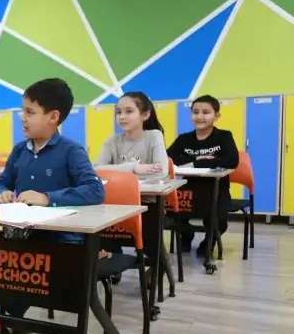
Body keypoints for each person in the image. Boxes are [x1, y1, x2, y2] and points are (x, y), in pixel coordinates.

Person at [0, 78, 105, 334]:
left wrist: (48, 198)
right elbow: (1, 183)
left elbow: (94, 190)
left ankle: (76, 333)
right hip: (25, 232)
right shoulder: (20, 150)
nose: (23, 118)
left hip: (63, 237)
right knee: (8, 260)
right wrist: (2, 192)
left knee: (66, 270)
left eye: (30, 112)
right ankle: (14, 318)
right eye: (23, 111)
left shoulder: (71, 151)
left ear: (53, 117)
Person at [94, 92, 169, 286]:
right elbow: (96, 170)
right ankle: (114, 259)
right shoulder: (113, 142)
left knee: (150, 229)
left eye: (129, 111)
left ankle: (155, 266)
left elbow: (160, 172)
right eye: (119, 112)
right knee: (102, 219)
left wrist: (119, 176)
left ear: (144, 115)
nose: (122, 117)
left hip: (148, 202)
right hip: (119, 204)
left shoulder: (153, 136)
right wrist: (133, 169)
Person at [167, 94, 239, 256]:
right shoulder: (184, 138)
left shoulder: (224, 136)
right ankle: (186, 235)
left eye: (206, 112)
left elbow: (231, 160)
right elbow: (168, 158)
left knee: (219, 221)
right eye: (195, 112)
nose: (200, 116)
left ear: (217, 116)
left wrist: (194, 163)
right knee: (173, 214)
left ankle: (208, 241)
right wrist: (198, 158)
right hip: (188, 188)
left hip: (217, 188)